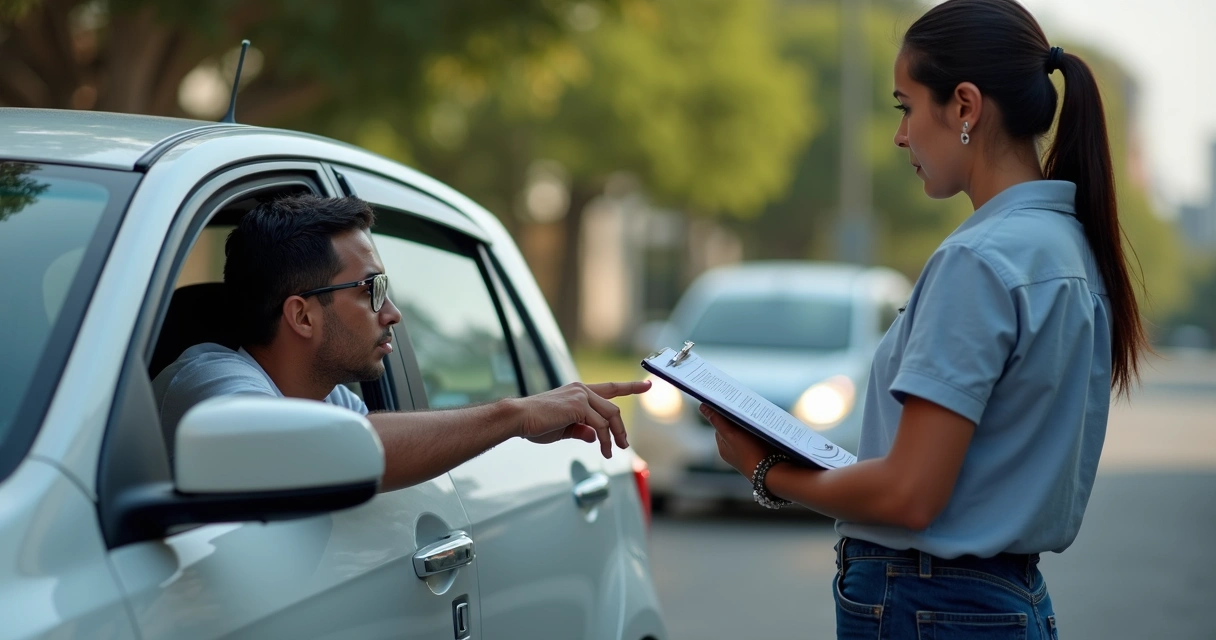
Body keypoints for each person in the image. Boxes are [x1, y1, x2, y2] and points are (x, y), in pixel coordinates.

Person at [702, 0, 1147, 637]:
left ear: (964, 106)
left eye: (905, 107)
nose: (900, 135)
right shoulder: (1067, 246)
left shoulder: (979, 259)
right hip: (1002, 600)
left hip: (931, 603)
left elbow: (910, 495)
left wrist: (767, 472)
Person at [153, 195, 649, 492]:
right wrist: (514, 415)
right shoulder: (206, 381)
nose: (393, 313)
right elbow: (339, 446)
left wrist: (512, 423)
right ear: (301, 315)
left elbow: (374, 438)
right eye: (372, 290)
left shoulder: (326, 398)